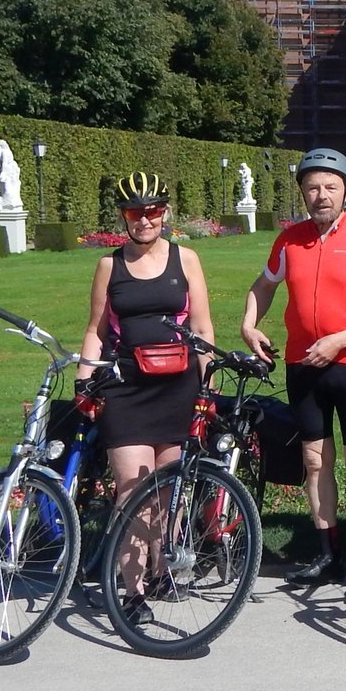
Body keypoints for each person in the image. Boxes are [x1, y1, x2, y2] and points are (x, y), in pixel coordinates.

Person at [242, 148, 346, 586]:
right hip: (302, 365)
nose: (321, 195)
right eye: (313, 188)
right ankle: (328, 555)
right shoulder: (289, 241)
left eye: (331, 187)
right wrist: (248, 325)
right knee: (315, 462)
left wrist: (339, 341)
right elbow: (263, 285)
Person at [80, 172, 213, 625]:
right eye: (135, 212)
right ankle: (132, 593)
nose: (144, 220)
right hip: (127, 387)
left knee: (169, 489)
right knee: (133, 490)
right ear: (123, 216)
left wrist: (206, 388)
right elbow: (97, 330)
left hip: (177, 387)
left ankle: (162, 571)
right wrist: (85, 377)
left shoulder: (186, 259)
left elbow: (202, 328)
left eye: (152, 210)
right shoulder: (109, 265)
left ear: (165, 212)